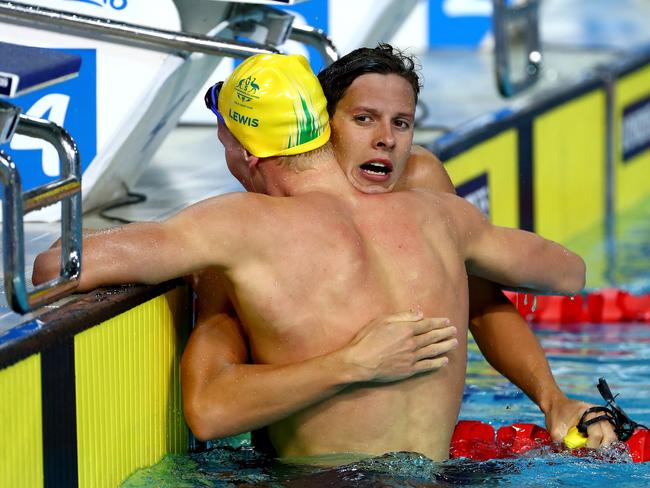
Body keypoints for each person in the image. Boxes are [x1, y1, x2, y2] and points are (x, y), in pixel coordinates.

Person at [32, 52, 587, 462]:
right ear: (325, 127)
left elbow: (55, 265)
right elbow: (568, 271)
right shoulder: (441, 214)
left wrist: (353, 363)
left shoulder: (236, 224)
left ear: (245, 150)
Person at [183, 44, 617, 453]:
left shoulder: (418, 183)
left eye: (401, 122)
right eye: (364, 118)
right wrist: (350, 364)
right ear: (321, 125)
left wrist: (552, 399)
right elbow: (213, 400)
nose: (386, 139)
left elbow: (481, 303)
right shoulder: (262, 215)